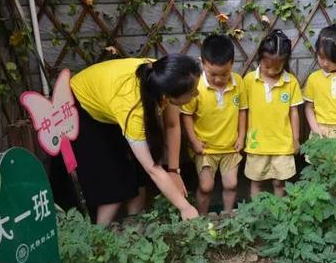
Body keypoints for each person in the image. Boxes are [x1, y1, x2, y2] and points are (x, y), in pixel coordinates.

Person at [69, 54, 201, 224]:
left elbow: (172, 125)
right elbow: (153, 169)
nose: (197, 93)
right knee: (113, 183)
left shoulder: (162, 74)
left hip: (109, 97)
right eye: (192, 92)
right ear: (167, 96)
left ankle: (135, 227)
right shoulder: (133, 110)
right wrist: (186, 208)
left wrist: (174, 171)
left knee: (139, 178)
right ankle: (100, 237)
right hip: (83, 106)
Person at [181, 35, 247, 214]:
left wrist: (241, 136)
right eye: (213, 74)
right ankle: (202, 218)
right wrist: (194, 141)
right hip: (205, 148)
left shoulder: (238, 82)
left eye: (224, 74)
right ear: (202, 63)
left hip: (230, 146)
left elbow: (242, 110)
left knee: (232, 184)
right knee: (206, 186)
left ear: (232, 63)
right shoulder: (196, 87)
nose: (219, 79)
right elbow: (186, 115)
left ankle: (227, 216)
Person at [243, 30, 303, 197]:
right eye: (267, 65)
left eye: (278, 66)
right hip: (256, 144)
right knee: (256, 181)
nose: (271, 70)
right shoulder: (248, 81)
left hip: (283, 144)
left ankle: (281, 216)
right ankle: (256, 215)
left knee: (279, 182)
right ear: (260, 58)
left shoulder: (290, 82)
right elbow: (242, 112)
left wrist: (295, 139)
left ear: (285, 62)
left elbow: (294, 113)